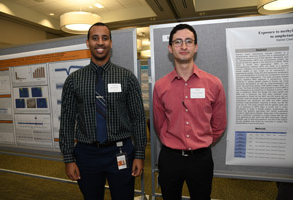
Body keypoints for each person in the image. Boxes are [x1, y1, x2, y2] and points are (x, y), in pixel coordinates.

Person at [59, 22, 147, 200]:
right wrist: (69, 159)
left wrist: (139, 155)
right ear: (87, 43)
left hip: (120, 152)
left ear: (111, 43)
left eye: (105, 38)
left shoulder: (127, 77)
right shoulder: (73, 80)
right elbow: (67, 121)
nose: (100, 42)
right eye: (95, 38)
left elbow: (138, 118)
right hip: (87, 155)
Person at [153, 24, 227, 200]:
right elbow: (159, 123)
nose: (184, 46)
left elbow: (219, 124)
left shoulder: (214, 83)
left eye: (188, 41)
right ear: (170, 48)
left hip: (200, 159)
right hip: (170, 158)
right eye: (178, 42)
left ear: (196, 47)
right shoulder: (160, 86)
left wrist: (201, 140)